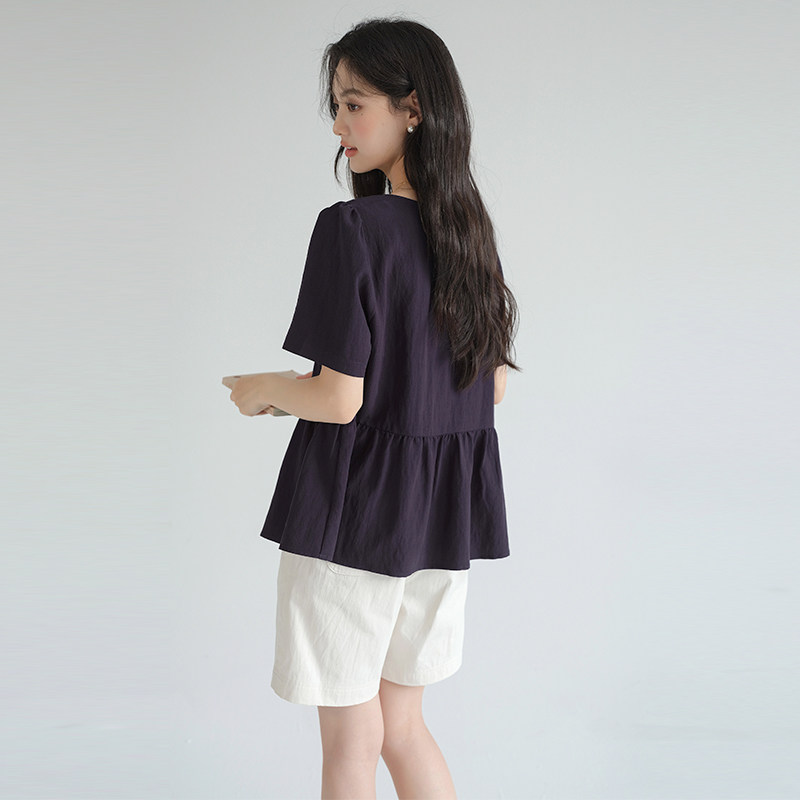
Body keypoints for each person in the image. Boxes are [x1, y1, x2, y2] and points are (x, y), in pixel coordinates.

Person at [227, 15, 520, 799]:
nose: (339, 124)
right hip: (438, 525)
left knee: (351, 743)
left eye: (354, 103)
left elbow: (337, 397)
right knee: (403, 727)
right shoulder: (471, 235)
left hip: (353, 517)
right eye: (337, 106)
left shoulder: (352, 229)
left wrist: (264, 389)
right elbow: (491, 386)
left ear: (412, 108)